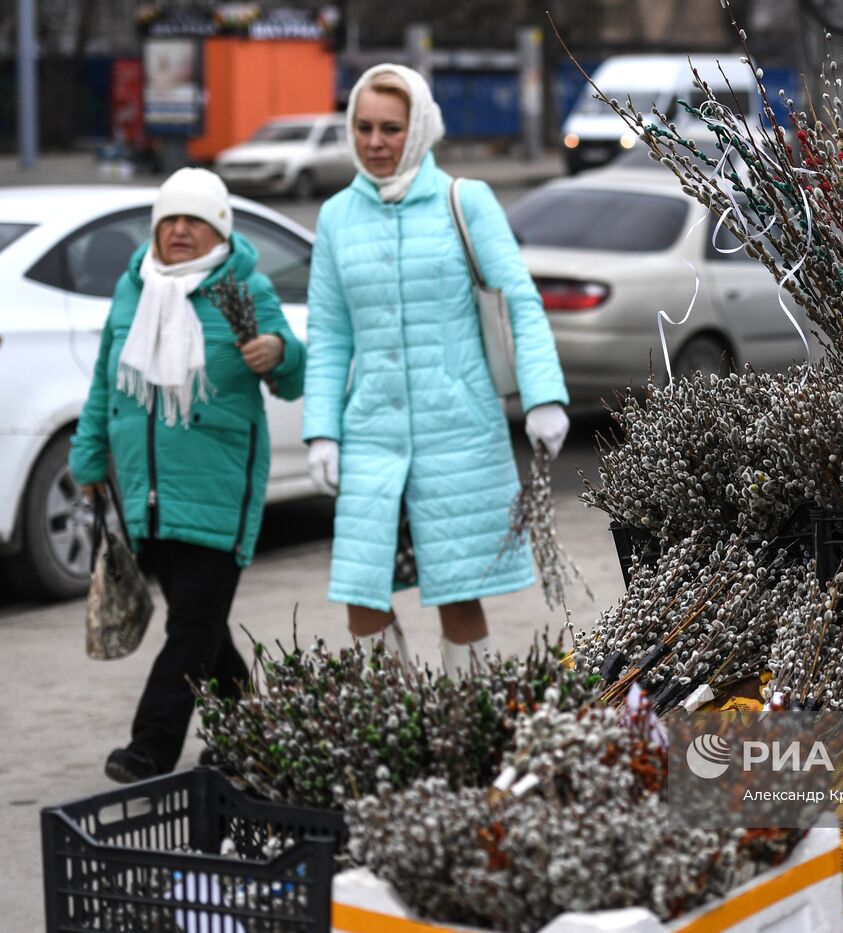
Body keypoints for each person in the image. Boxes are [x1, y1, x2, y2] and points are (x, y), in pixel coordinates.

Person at [303, 64, 570, 674]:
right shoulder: (337, 217)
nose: (375, 142)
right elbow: (329, 334)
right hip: (372, 435)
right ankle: (395, 728)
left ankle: (468, 720)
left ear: (419, 128)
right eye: (364, 127)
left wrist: (543, 397)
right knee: (359, 594)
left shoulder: (464, 200)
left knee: (456, 592)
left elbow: (519, 303)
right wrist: (322, 430)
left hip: (458, 433)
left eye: (391, 128)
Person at [69, 168, 306, 783]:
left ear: (218, 229)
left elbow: (292, 377)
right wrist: (89, 455)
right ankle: (249, 733)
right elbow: (105, 380)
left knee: (191, 624)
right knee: (204, 628)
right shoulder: (134, 289)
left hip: (219, 485)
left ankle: (150, 745)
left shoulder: (245, 288)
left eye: (193, 221)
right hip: (148, 491)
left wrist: (279, 352)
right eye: (168, 220)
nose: (178, 231)